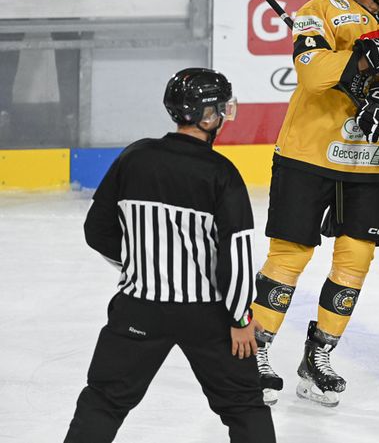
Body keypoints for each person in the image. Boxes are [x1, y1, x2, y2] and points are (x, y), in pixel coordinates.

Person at [250, 0, 379, 408]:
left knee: (355, 261)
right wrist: (364, 57)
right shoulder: (321, 10)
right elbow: (312, 74)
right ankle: (255, 353)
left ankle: (319, 356)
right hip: (307, 154)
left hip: (366, 160)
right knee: (289, 257)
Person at [65, 68, 275, 443]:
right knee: (244, 407)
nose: (225, 114)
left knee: (104, 401)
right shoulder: (222, 173)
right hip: (207, 316)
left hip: (138, 308)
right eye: (221, 107)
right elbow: (236, 255)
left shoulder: (134, 157)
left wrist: (143, 263)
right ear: (207, 115)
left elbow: (96, 230)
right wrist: (241, 317)